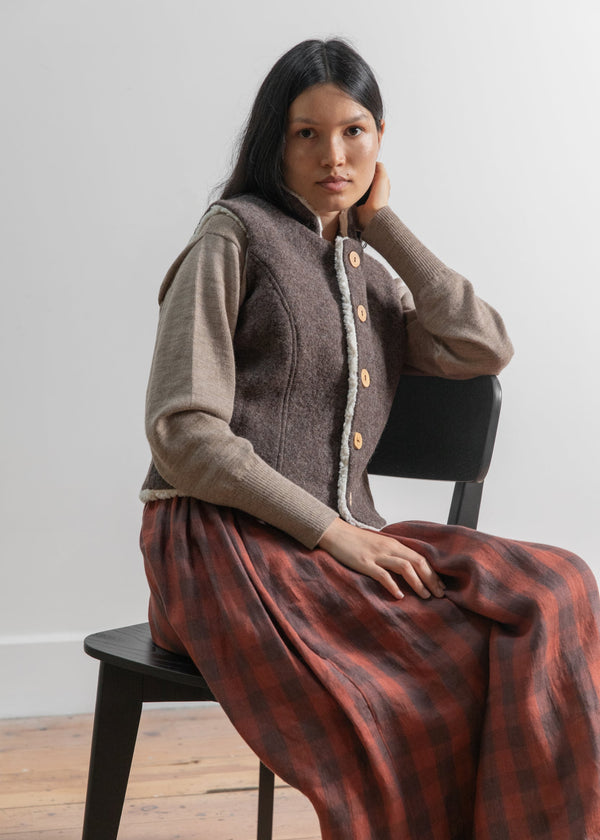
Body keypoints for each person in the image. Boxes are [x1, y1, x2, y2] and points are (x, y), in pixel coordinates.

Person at [139, 38, 600, 840]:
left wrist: (382, 225)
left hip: (343, 537)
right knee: (428, 679)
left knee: (557, 586)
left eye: (353, 131)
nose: (334, 155)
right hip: (221, 542)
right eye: (305, 134)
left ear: (380, 138)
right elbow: (183, 434)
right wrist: (335, 534)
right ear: (271, 142)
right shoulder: (232, 236)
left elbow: (481, 344)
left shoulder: (368, 275)